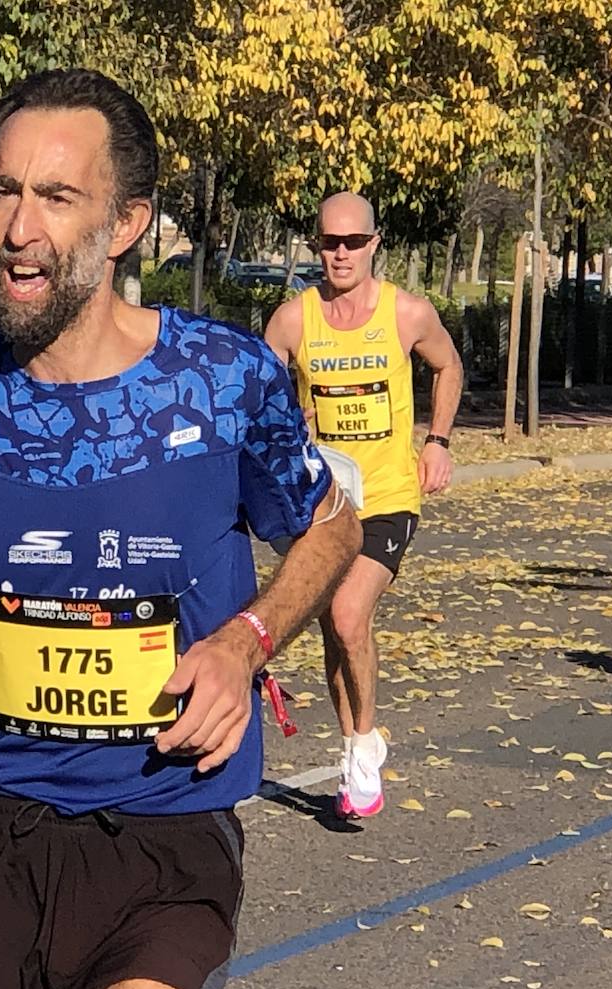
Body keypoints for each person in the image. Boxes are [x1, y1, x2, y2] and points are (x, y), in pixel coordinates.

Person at [0, 69, 361, 989]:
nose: (17, 228)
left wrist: (246, 640)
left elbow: (330, 519)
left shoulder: (221, 379)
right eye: (4, 191)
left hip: (171, 823)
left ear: (125, 223)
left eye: (55, 196)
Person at [264, 192, 463, 819]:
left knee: (349, 615)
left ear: (375, 244)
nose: (341, 253)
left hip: (387, 495)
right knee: (333, 630)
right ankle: (357, 745)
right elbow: (266, 407)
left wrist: (437, 442)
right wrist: (289, 427)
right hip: (325, 501)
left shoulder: (406, 313)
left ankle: (361, 745)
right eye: (330, 242)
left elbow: (449, 366)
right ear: (317, 246)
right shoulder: (293, 321)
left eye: (353, 242)